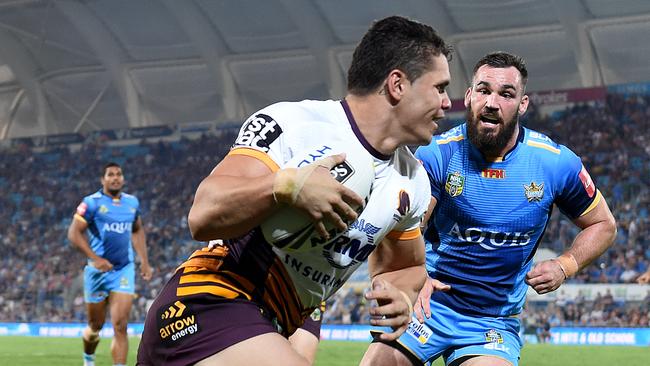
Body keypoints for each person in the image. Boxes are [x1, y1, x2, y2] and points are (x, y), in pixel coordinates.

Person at [136, 15, 452, 366]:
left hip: (279, 319)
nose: (447, 102)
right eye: (439, 87)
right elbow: (203, 215)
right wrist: (284, 186)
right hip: (208, 301)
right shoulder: (293, 124)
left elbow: (407, 267)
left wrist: (403, 298)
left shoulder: (413, 181)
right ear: (397, 84)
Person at [360, 52, 617, 366]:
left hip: (491, 322)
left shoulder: (555, 163)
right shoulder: (436, 155)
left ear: (522, 104)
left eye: (506, 94)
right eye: (484, 90)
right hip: (428, 306)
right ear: (469, 97)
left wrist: (566, 264)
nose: (492, 102)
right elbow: (406, 226)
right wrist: (414, 275)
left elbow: (603, 224)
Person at [68, 161, 152, 366]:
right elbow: (73, 234)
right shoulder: (92, 202)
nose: (115, 177)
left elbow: (137, 230)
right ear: (102, 179)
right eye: (110, 174)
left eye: (119, 174)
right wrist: (96, 259)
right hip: (96, 272)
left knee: (120, 325)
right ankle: (89, 358)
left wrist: (144, 261)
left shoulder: (132, 203)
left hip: (123, 269)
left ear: (123, 178)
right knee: (95, 325)